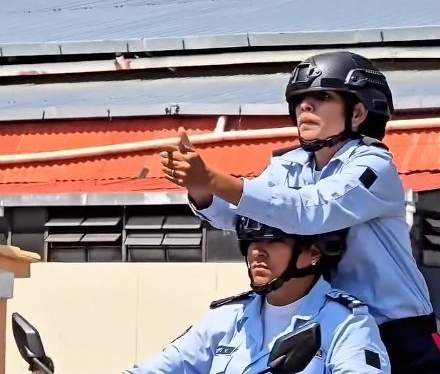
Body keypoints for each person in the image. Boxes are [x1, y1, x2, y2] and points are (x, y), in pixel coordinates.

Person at [159, 51, 440, 373]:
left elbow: (311, 211)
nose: (305, 106)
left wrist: (210, 177)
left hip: (396, 332)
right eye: (300, 99)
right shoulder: (288, 166)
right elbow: (247, 218)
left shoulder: (372, 165)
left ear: (358, 112)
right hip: (326, 324)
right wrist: (198, 187)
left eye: (322, 96)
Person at [123, 216, 390, 374]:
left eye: (274, 241)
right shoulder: (229, 318)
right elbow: (163, 367)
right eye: (252, 241)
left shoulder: (346, 323)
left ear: (313, 253)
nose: (257, 252)